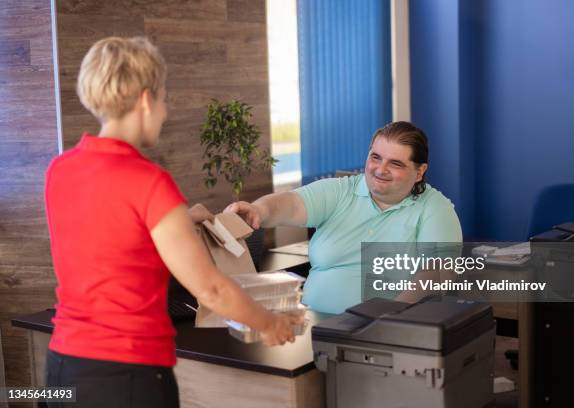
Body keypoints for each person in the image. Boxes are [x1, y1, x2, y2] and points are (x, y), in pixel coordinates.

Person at [44, 37, 301, 408]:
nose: (165, 112)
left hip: (63, 368)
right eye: (164, 99)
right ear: (147, 99)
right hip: (128, 375)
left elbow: (107, 239)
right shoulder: (148, 182)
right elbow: (211, 290)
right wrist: (269, 323)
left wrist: (180, 217)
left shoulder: (60, 170)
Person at [225, 121, 462, 314]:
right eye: (375, 157)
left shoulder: (435, 208)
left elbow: (437, 273)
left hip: (383, 333)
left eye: (395, 163)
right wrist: (258, 210)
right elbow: (289, 204)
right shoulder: (340, 191)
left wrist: (391, 318)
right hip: (310, 322)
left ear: (419, 172)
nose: (380, 169)